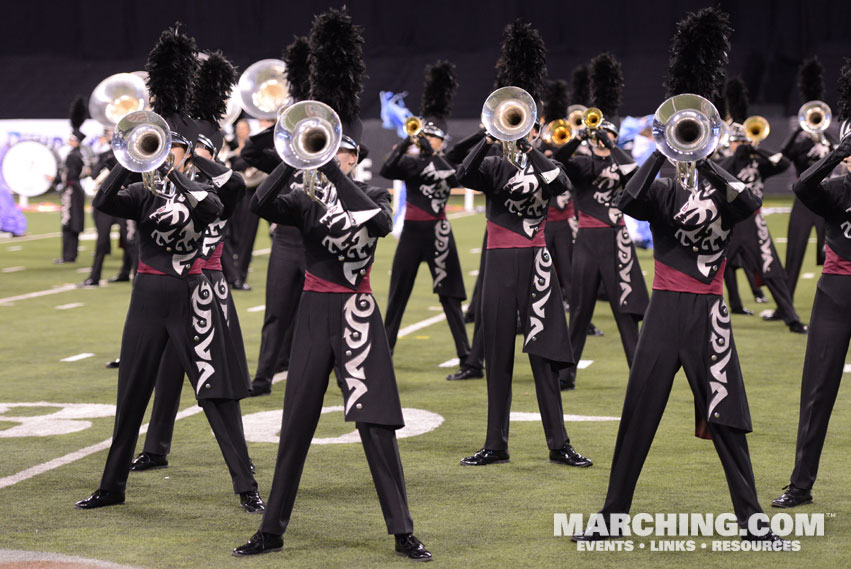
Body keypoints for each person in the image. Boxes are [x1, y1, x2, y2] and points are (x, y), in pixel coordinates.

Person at [574, 8, 783, 544]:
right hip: (666, 310)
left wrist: (710, 157)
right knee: (637, 414)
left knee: (726, 416)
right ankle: (612, 516)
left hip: (710, 312)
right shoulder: (663, 188)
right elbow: (627, 199)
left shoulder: (724, 188)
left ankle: (752, 518)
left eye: (694, 133)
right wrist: (661, 148)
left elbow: (749, 201)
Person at [232, 9, 430, 560]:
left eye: (342, 150)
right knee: (295, 425)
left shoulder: (376, 199)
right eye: (331, 149)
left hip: (358, 317)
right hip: (315, 317)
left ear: (355, 155)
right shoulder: (301, 197)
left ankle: (402, 530)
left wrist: (337, 170)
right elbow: (259, 202)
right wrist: (290, 153)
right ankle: (271, 529)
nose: (334, 155)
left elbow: (381, 226)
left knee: (375, 425)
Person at [75, 26, 262, 512]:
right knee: (131, 391)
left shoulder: (207, 190)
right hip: (147, 298)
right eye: (166, 146)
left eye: (173, 146)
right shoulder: (143, 192)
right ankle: (111, 485)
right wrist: (128, 155)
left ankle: (246, 486)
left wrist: (181, 166)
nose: (168, 152)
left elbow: (217, 205)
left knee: (215, 394)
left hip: (192, 295)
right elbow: (105, 198)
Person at [455, 20, 591, 469]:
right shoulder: (492, 165)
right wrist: (489, 136)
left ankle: (559, 443)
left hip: (536, 262)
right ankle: (496, 443)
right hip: (498, 261)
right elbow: (460, 174)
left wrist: (531, 143)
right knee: (497, 353)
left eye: (523, 122)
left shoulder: (543, 162)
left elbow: (561, 184)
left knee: (545, 353)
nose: (519, 129)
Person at [555, 53, 648, 391]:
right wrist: (580, 137)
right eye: (599, 133)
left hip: (617, 242)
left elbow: (635, 177)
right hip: (588, 243)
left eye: (605, 133)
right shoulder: (581, 164)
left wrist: (612, 144)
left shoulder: (622, 160)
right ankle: (567, 373)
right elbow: (558, 160)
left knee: (626, 310)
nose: (600, 137)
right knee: (579, 310)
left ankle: (638, 372)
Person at [772, 114, 851, 508]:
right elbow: (801, 185)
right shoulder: (835, 188)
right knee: (817, 392)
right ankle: (800, 486)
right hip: (835, 294)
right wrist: (838, 153)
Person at [381, 60, 470, 368]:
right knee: (397, 297)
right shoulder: (410, 163)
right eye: (426, 137)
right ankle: (384, 353)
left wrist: (432, 152)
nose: (428, 141)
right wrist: (408, 139)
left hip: (439, 236)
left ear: (442, 142)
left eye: (433, 138)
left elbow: (453, 177)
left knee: (449, 298)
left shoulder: (445, 163)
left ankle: (467, 357)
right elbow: (387, 168)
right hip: (412, 234)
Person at [245, 34, 311, 397]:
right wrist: (283, 121)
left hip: (317, 238)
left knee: (312, 314)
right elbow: (251, 150)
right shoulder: (281, 156)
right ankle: (263, 377)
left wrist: (321, 121)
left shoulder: (327, 153)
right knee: (276, 312)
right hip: (285, 240)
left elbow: (359, 151)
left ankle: (306, 369)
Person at [719, 77, 805, 334]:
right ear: (730, 143)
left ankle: (791, 319)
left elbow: (783, 163)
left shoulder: (757, 163)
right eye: (737, 142)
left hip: (754, 222)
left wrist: (757, 151)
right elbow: (720, 175)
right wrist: (736, 155)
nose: (740, 146)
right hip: (729, 223)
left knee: (771, 270)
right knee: (710, 269)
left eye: (743, 142)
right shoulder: (724, 161)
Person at [782, 57, 832, 302]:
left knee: (832, 253)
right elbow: (783, 156)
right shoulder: (800, 143)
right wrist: (797, 133)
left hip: (824, 200)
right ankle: (785, 305)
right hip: (802, 201)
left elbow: (842, 154)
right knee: (794, 252)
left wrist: (825, 144)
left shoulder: (829, 141)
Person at [55, 97, 87, 264]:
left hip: (71, 190)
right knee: (71, 222)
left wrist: (60, 180)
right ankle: (69, 254)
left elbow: (70, 174)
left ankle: (68, 255)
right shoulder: (77, 154)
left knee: (68, 222)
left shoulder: (73, 156)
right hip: (74, 189)